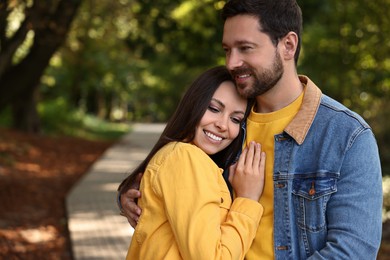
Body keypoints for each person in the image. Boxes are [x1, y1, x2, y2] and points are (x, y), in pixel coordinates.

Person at [119, 0, 383, 259]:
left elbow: (352, 250)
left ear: (288, 46)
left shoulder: (346, 136)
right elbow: (174, 178)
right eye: (227, 50)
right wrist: (133, 197)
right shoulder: (224, 126)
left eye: (245, 48)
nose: (232, 62)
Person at [119, 66, 266, 259]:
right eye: (214, 109)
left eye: (235, 119)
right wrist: (247, 200)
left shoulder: (192, 160)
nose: (223, 125)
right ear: (194, 104)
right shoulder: (186, 157)